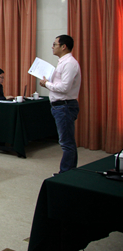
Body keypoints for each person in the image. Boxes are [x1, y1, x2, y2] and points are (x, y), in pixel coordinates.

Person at [39, 35, 81, 174]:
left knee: (66, 142)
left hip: (65, 106)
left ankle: (66, 174)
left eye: (55, 44)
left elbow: (64, 88)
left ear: (64, 47)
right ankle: (70, 172)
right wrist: (47, 83)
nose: (52, 47)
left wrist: (47, 84)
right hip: (61, 106)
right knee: (67, 141)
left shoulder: (69, 63)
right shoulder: (63, 62)